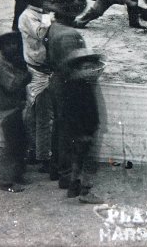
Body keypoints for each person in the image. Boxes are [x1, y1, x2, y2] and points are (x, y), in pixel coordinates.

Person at [42, 0, 88, 190]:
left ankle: (55, 168)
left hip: (56, 79)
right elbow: (74, 64)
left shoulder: (53, 28)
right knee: (67, 129)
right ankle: (65, 174)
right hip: (68, 84)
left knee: (58, 127)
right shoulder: (70, 34)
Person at [17, 0, 56, 172]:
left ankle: (35, 151)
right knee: (40, 116)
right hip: (36, 70)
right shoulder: (27, 16)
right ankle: (42, 156)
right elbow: (42, 33)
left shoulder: (41, 13)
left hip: (45, 69)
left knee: (38, 115)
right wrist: (48, 16)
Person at [0, 31, 31, 193]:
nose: (12, 47)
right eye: (8, 44)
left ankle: (17, 174)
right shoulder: (3, 66)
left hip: (14, 108)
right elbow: (12, 85)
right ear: (1, 48)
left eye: (14, 44)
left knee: (20, 142)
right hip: (7, 111)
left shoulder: (11, 63)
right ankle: (6, 180)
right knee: (11, 146)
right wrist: (26, 76)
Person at [61, 48, 105, 204]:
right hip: (83, 131)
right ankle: (85, 191)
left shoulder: (77, 84)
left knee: (78, 160)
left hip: (81, 130)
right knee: (88, 161)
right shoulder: (79, 87)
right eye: (85, 67)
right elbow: (74, 113)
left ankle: (73, 187)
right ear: (77, 69)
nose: (89, 70)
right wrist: (83, 132)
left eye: (91, 67)